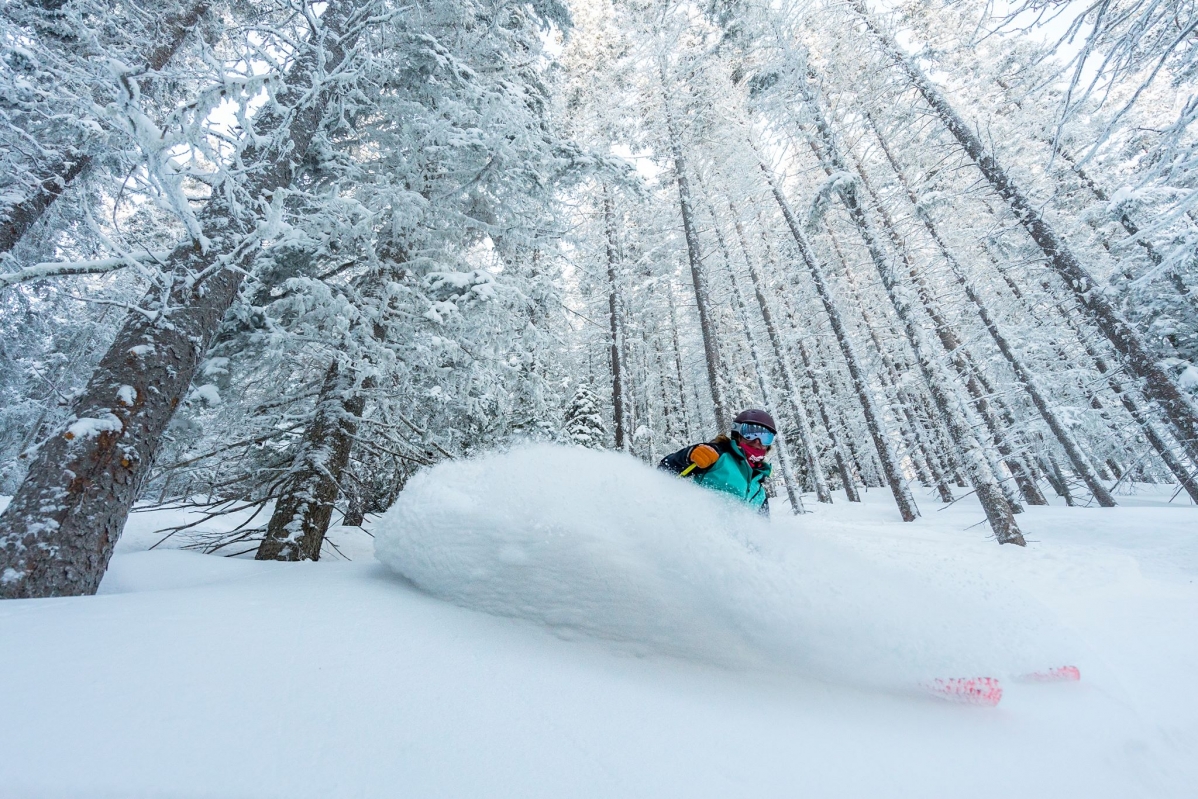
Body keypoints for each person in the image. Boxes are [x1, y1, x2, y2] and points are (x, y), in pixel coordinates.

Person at [658, 409, 776, 516]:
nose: (757, 441)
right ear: (737, 434)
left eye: (766, 437)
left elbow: (760, 530)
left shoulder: (760, 492)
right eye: (750, 433)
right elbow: (664, 470)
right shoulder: (716, 455)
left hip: (727, 539)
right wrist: (687, 456)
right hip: (694, 529)